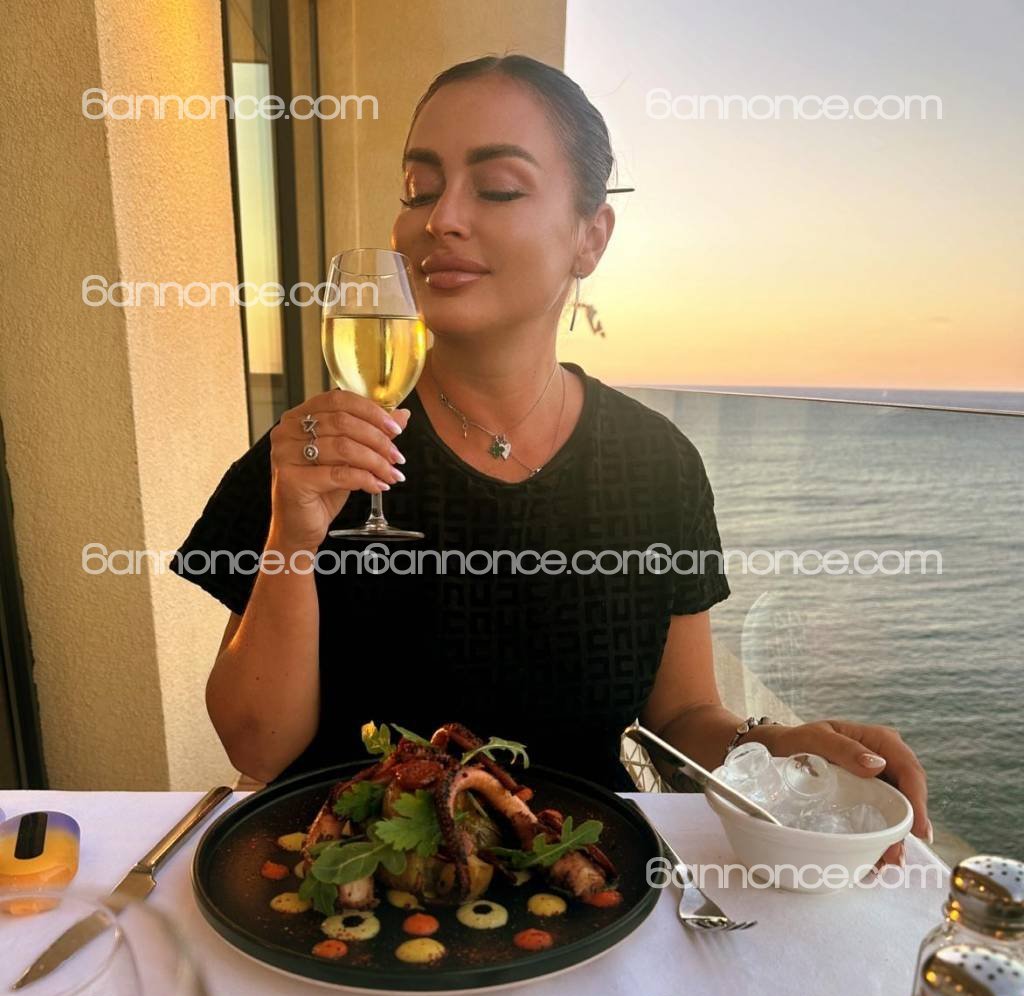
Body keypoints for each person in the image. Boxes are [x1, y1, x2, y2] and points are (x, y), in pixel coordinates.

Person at [172, 55, 929, 864]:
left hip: (583, 886)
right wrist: (292, 537)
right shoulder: (320, 454)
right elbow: (257, 750)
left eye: (497, 188)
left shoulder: (657, 465)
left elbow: (681, 718)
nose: (441, 219)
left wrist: (778, 747)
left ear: (589, 237)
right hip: (350, 888)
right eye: (420, 189)